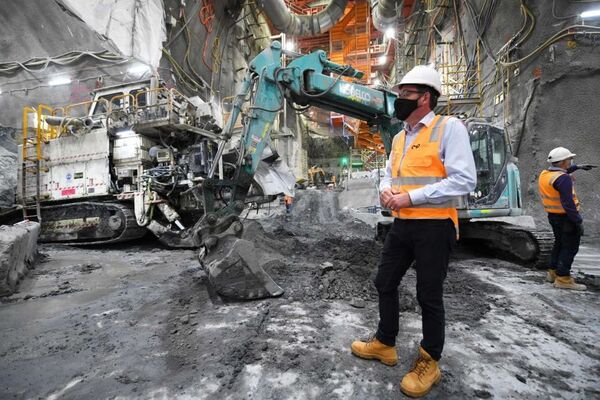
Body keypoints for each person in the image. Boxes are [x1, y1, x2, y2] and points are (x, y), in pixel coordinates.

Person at [350, 65, 476, 398]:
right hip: (403, 223)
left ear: (425, 97)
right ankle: (385, 343)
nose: (399, 98)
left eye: (405, 93)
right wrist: (385, 190)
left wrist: (410, 196)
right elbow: (390, 173)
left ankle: (429, 361)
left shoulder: (448, 128)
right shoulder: (399, 136)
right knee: (384, 282)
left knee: (428, 296)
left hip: (435, 226)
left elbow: (463, 180)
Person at [538, 147, 596, 290]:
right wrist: (577, 221)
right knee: (570, 247)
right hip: (566, 218)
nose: (571, 161)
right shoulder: (563, 179)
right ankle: (563, 279)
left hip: (554, 216)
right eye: (570, 160)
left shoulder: (545, 174)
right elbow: (568, 203)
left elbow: (557, 174)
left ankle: (552, 273)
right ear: (563, 162)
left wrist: (577, 167)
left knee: (559, 243)